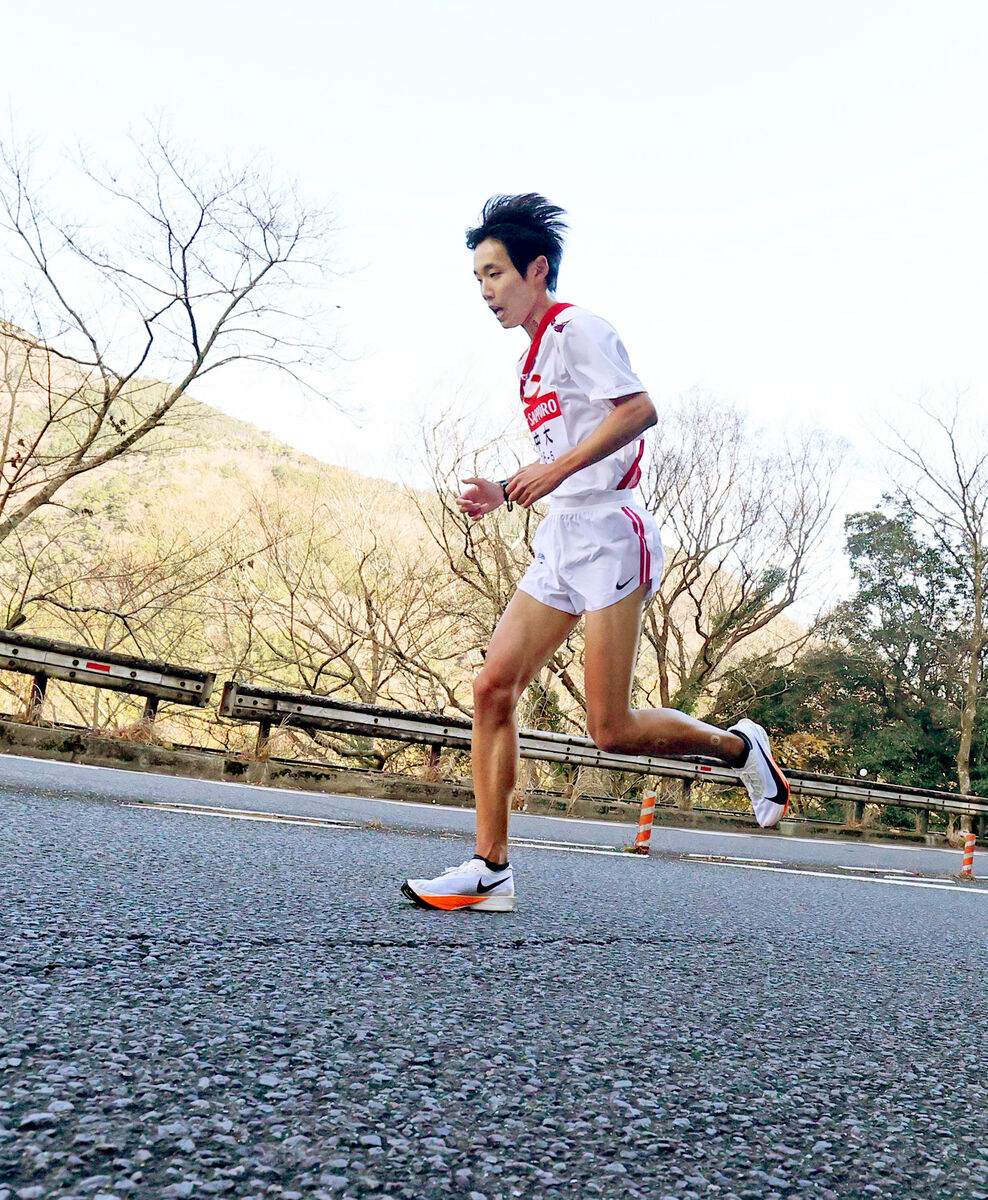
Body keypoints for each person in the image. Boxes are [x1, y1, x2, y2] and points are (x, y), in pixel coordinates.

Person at [402, 194, 789, 912]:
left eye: (495, 274)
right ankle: (490, 868)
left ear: (536, 268)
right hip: (563, 534)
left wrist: (554, 473)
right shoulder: (531, 360)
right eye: (477, 279)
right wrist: (511, 487)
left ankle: (738, 748)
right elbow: (564, 447)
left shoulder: (579, 327)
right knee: (492, 690)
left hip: (614, 532)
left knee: (609, 730)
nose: (485, 291)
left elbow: (638, 410)